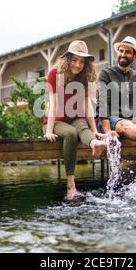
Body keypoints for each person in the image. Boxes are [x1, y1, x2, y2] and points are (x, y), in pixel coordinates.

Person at [44, 40, 106, 201]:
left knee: (82, 126)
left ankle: (94, 144)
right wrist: (49, 130)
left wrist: (94, 130)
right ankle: (71, 186)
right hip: (55, 121)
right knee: (71, 133)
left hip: (75, 117)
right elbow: (53, 104)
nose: (78, 65)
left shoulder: (86, 77)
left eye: (82, 62)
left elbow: (87, 106)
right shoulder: (55, 74)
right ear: (67, 59)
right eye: (75, 60)